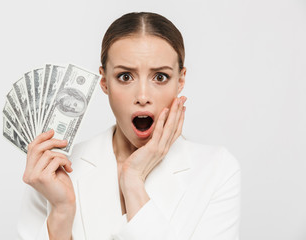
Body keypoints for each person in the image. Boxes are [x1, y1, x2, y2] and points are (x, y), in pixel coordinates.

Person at [17, 12, 241, 240]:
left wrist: (132, 179)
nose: (143, 96)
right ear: (104, 82)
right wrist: (61, 213)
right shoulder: (53, 171)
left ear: (180, 81)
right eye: (125, 77)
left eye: (160, 77)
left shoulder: (217, 170)